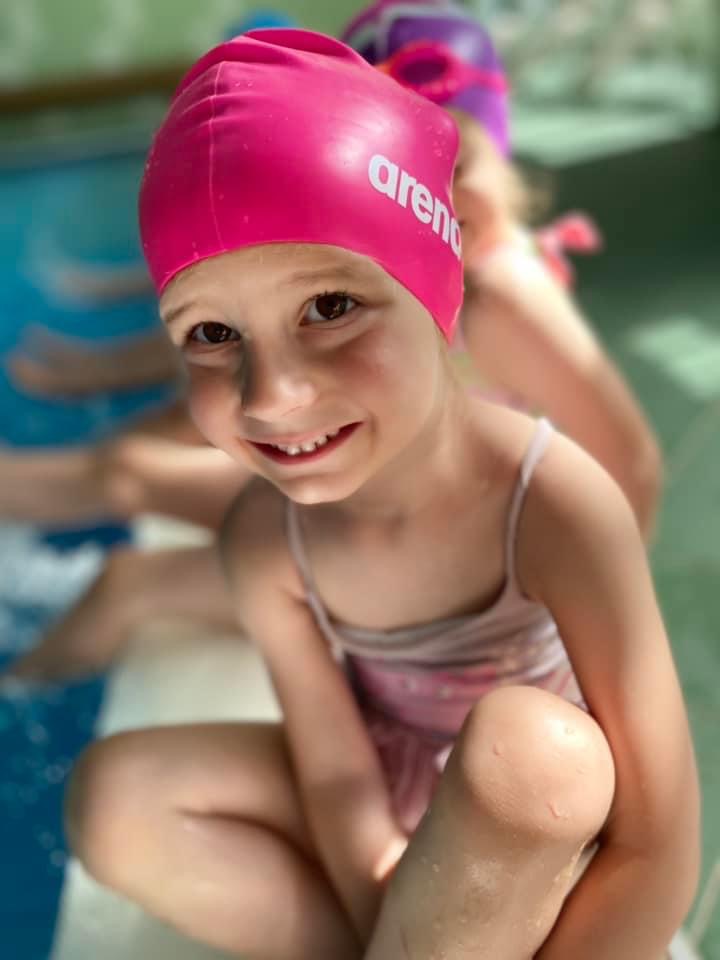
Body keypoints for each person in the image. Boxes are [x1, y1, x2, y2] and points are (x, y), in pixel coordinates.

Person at [62, 29, 698, 960]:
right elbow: (335, 778)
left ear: (439, 289)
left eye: (329, 308)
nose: (272, 395)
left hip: (543, 847)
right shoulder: (265, 539)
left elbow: (657, 847)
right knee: (115, 798)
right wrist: (390, 920)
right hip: (395, 813)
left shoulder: (554, 504)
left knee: (533, 752)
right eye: (211, 333)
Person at [342, 0, 662, 540]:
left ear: (502, 154)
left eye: (456, 165)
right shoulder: (426, 272)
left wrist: (601, 587)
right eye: (397, 174)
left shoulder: (499, 297)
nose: (431, 199)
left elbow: (631, 466)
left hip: (499, 564)